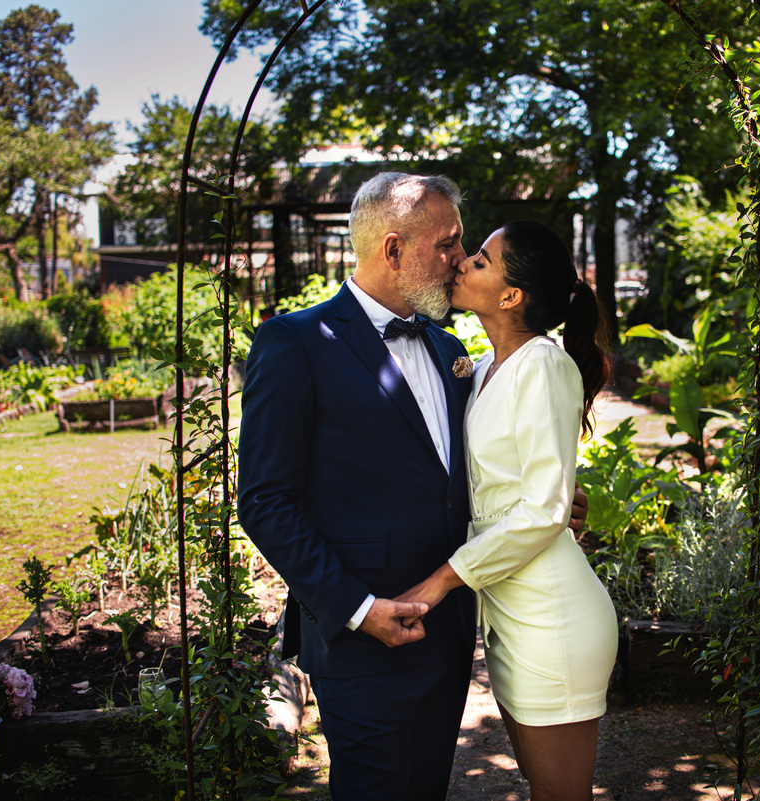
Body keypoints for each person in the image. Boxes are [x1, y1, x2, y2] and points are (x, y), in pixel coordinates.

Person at [237, 174, 586, 800]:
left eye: (466, 247)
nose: (459, 259)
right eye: (448, 244)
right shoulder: (295, 344)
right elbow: (265, 500)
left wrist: (547, 500)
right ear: (393, 249)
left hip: (447, 636)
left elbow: (471, 469)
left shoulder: (453, 347)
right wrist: (359, 608)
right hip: (365, 639)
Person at [396, 220, 618, 801]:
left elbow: (543, 511)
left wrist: (443, 580)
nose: (462, 263)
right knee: (539, 786)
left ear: (511, 295)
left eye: (480, 261)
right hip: (507, 614)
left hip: (552, 619)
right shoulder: (487, 368)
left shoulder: (543, 364)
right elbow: (511, 483)